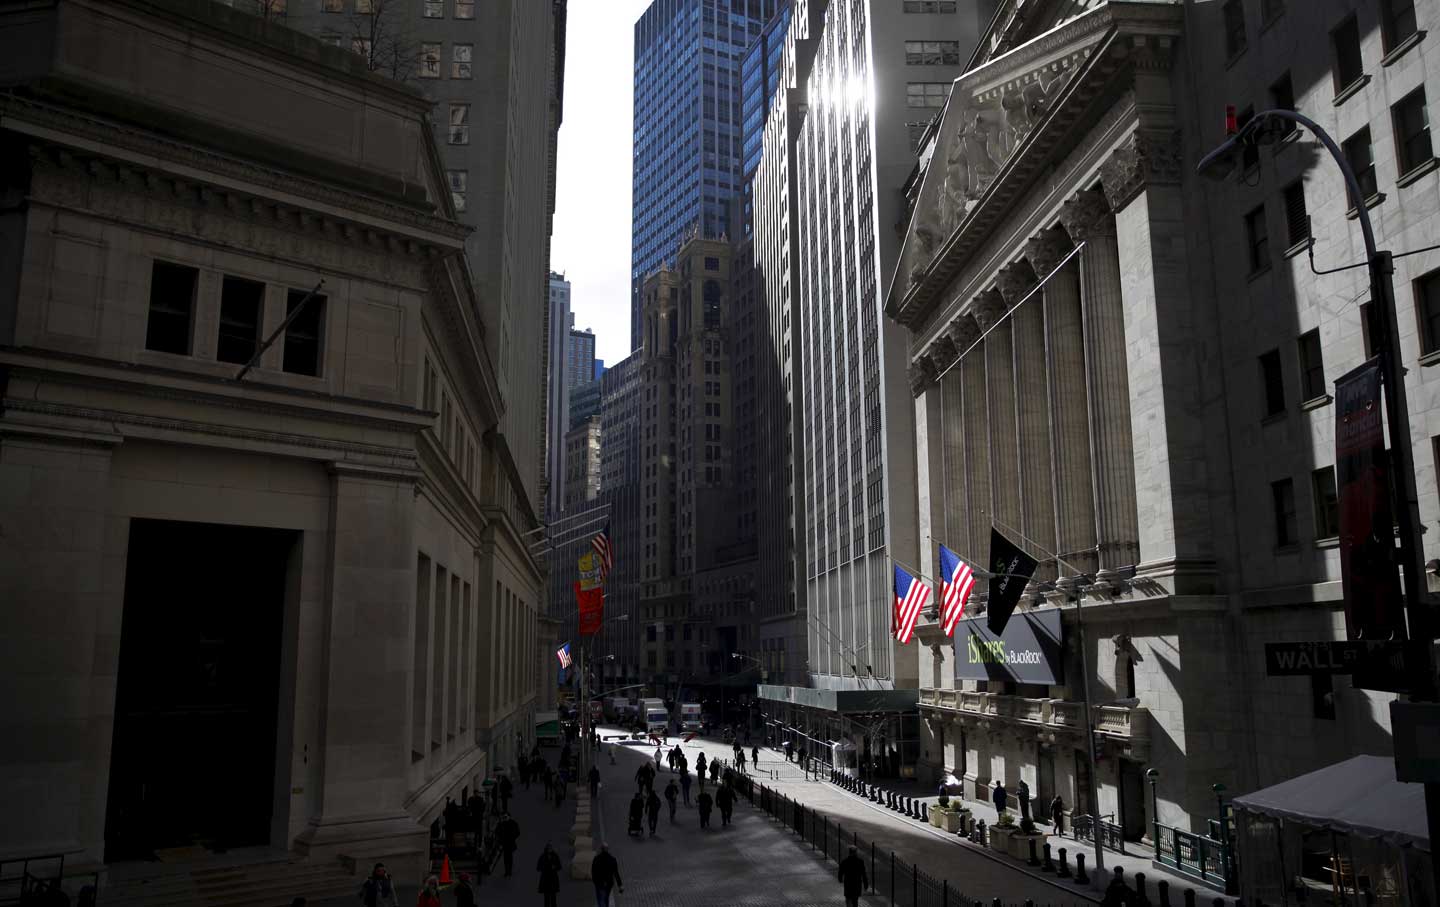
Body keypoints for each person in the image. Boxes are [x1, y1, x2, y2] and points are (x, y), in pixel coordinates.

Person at [536, 843, 563, 907]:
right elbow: (538, 867)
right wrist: (544, 867)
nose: (549, 850)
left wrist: (555, 867)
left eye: (550, 849)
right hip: (546, 879)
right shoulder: (543, 856)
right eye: (548, 849)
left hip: (553, 879)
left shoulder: (555, 856)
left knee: (553, 898)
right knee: (547, 899)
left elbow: (559, 866)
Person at [496, 812, 521, 877]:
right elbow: (497, 832)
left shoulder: (513, 823)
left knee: (509, 857)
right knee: (506, 857)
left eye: (506, 816)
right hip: (505, 843)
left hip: (510, 842)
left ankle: (509, 871)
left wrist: (512, 837)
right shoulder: (501, 824)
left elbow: (517, 832)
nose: (505, 818)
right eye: (504, 817)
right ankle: (507, 870)